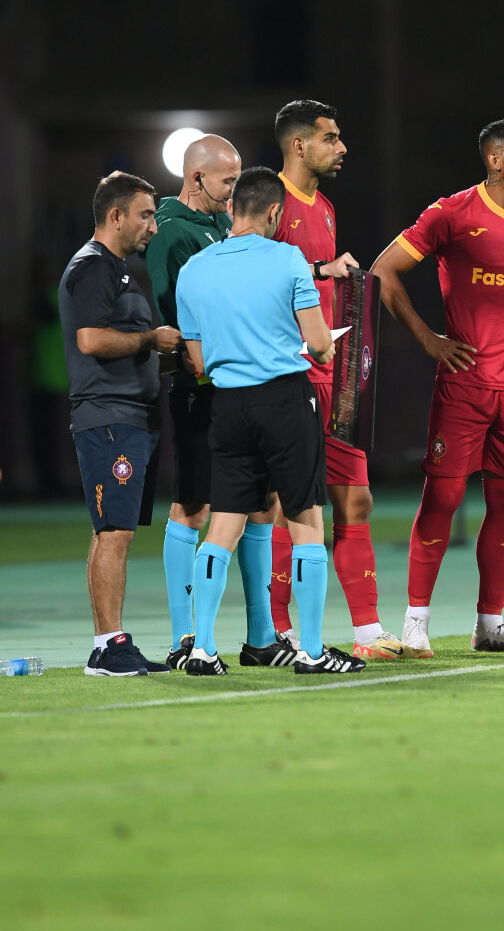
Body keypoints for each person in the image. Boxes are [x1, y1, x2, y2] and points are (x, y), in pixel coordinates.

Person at [371, 118, 504, 656]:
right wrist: (428, 340)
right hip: (464, 387)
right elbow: (383, 272)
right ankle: (416, 622)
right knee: (441, 500)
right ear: (494, 159)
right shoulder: (451, 213)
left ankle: (490, 624)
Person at [175, 166, 365, 675]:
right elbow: (320, 344)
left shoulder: (193, 269)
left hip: (226, 406)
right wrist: (319, 350)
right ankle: (312, 651)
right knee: (306, 523)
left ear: (231, 208)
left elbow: (198, 361)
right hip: (284, 401)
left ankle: (203, 649)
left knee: (223, 526)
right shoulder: (288, 259)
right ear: (275, 212)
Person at [145, 134, 288, 669]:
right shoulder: (171, 229)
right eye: (228, 181)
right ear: (196, 177)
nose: (234, 191)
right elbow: (174, 315)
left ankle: (261, 637)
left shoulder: (219, 226)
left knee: (260, 503)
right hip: (199, 391)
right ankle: (184, 638)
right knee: (194, 506)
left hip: (240, 389)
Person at [268, 99, 403, 661]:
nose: (342, 147)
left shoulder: (323, 207)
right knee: (289, 506)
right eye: (330, 138)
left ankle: (368, 631)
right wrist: (322, 270)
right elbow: (256, 274)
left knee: (357, 500)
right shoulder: (270, 202)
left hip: (333, 374)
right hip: (288, 375)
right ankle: (277, 630)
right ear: (299, 145)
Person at [58, 172, 182, 676]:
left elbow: (127, 345)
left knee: (113, 530)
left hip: (131, 417)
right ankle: (109, 646)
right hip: (109, 418)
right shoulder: (93, 266)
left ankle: (109, 643)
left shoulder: (120, 270)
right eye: (145, 215)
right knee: (114, 532)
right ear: (115, 216)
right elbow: (90, 340)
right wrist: (152, 339)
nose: (153, 226)